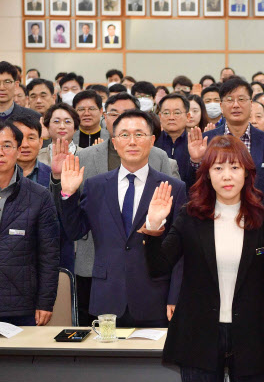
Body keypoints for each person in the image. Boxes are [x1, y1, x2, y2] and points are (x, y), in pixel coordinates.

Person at [141, 135, 264, 382]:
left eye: (234, 167)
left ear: (247, 172)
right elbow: (159, 267)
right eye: (218, 169)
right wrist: (154, 225)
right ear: (207, 175)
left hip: (252, 335)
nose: (227, 176)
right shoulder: (190, 217)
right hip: (198, 335)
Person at [50, 93, 180, 326]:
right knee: (105, 362)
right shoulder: (96, 185)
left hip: (155, 295)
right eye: (124, 135)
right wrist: (67, 194)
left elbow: (181, 249)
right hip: (107, 296)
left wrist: (175, 295)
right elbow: (74, 231)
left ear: (152, 141)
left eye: (139, 135)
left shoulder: (172, 187)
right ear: (114, 141)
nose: (132, 141)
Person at [192, 77, 264, 230]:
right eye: (230, 100)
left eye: (241, 99)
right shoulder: (206, 140)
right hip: (214, 220)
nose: (236, 105)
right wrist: (196, 161)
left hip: (258, 221)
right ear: (222, 106)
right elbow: (196, 185)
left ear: (251, 105)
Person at [0, 121, 59, 326]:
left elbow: (49, 255)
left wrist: (45, 302)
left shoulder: (39, 196)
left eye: (7, 145)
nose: (1, 152)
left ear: (17, 150)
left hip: (22, 304)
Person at [155, 94, 195, 187]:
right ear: (160, 116)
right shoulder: (152, 142)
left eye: (177, 113)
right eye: (166, 113)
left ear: (188, 116)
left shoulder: (195, 143)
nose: (171, 117)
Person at [8, 113, 51, 186]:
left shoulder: (52, 175)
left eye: (31, 138)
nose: (25, 145)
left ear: (40, 142)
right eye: (19, 138)